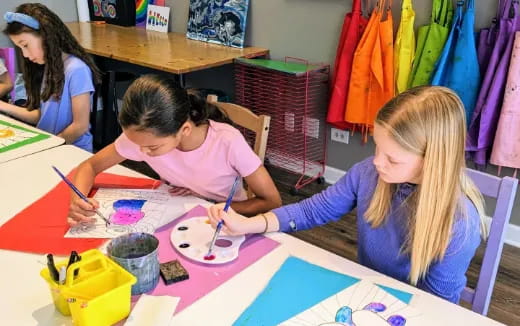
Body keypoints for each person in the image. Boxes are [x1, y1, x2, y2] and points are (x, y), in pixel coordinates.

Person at [208, 86, 486, 303]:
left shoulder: (460, 223)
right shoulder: (369, 173)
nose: (377, 162)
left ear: (432, 160)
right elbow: (311, 211)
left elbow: (436, 307)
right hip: (366, 291)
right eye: (377, 147)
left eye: (393, 158)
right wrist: (248, 224)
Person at [68, 74, 282, 226]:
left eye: (152, 147)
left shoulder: (227, 142)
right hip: (181, 210)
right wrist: (78, 199)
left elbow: (271, 201)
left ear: (184, 129)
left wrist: (211, 206)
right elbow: (90, 165)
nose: (141, 151)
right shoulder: (142, 136)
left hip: (226, 221)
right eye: (138, 144)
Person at [0, 3, 101, 152]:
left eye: (25, 45)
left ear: (46, 36)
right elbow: (41, 116)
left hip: (73, 152)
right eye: (20, 48)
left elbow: (80, 126)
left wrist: (51, 147)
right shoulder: (51, 67)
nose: (25, 55)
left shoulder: (77, 69)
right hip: (52, 146)